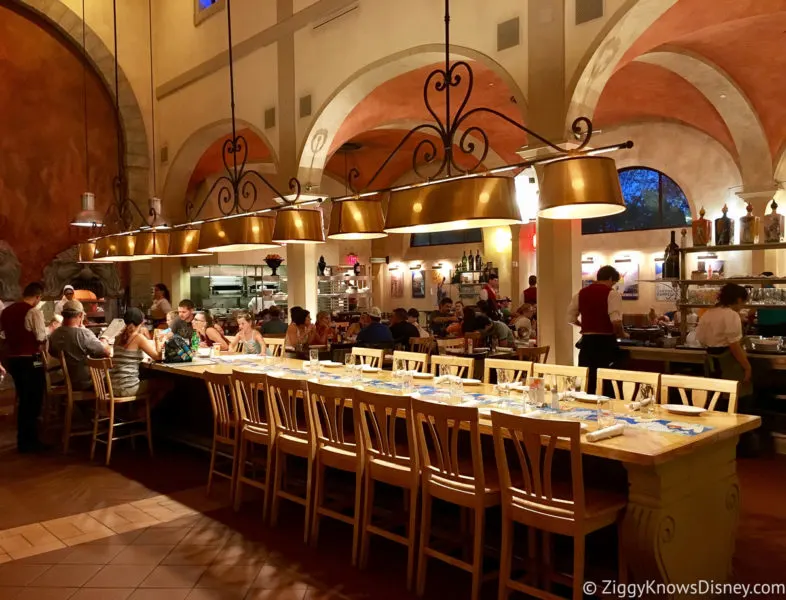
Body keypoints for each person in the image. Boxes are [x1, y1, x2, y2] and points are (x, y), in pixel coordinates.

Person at [0, 282, 48, 452]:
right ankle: (31, 441)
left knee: (23, 399)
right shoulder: (33, 311)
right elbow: (41, 336)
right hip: (30, 359)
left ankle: (22, 439)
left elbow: (3, 334)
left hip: (13, 361)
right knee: (33, 400)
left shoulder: (6, 311)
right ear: (38, 297)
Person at [567, 265, 627, 394]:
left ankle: (586, 409)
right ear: (610, 278)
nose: (613, 285)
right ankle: (608, 408)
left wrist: (584, 325)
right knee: (607, 380)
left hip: (587, 343)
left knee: (587, 380)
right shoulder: (612, 294)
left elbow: (570, 318)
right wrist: (623, 334)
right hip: (605, 344)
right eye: (614, 282)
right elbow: (616, 321)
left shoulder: (580, 293)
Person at [696, 283, 753, 391]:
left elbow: (701, 339)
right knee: (734, 397)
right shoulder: (732, 315)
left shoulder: (708, 313)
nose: (743, 306)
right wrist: (747, 367)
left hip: (711, 362)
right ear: (739, 300)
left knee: (716, 397)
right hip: (728, 364)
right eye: (744, 302)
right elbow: (734, 346)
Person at [49, 300, 110, 390]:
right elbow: (106, 352)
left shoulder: (55, 334)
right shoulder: (83, 334)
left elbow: (52, 352)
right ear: (80, 315)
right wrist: (104, 341)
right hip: (86, 383)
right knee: (113, 374)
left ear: (63, 315)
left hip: (66, 380)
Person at [110, 308, 162, 397]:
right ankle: (142, 411)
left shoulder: (118, 338)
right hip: (128, 388)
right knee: (166, 383)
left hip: (113, 387)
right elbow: (158, 357)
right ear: (142, 322)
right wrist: (157, 339)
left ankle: (139, 409)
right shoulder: (138, 338)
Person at [755, 272, 786, 337]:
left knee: (766, 345)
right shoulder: (780, 291)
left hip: (766, 325)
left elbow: (752, 310)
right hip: (782, 324)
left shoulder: (761, 293)